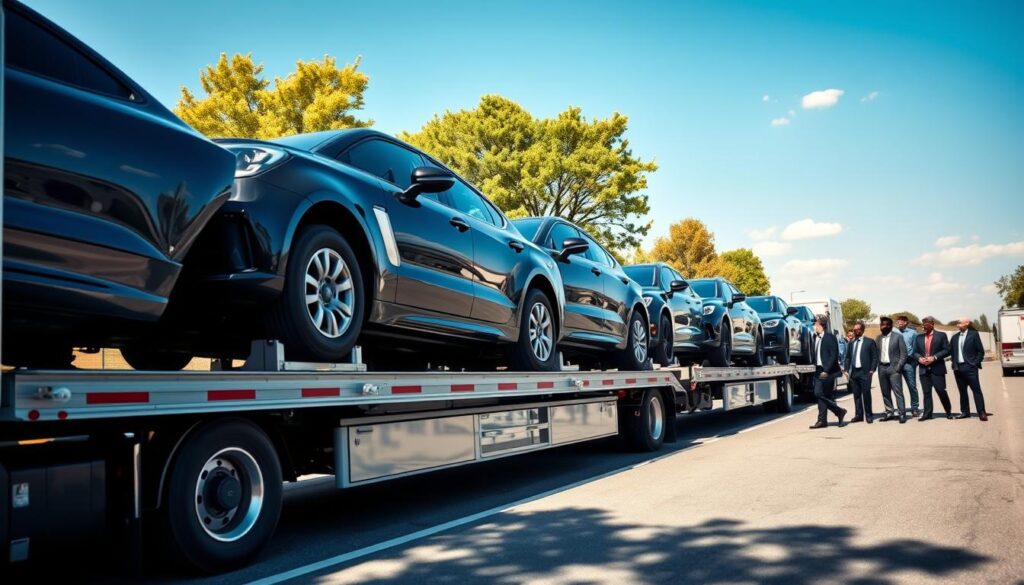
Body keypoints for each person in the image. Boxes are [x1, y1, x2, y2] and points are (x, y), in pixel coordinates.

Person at [810, 316, 847, 429]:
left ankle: (838, 412)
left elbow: (833, 355)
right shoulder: (815, 337)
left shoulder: (829, 337)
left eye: (816, 325)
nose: (814, 327)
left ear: (821, 325)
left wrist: (826, 370)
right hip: (818, 370)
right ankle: (824, 420)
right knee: (821, 395)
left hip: (828, 371)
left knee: (820, 394)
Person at [950, 317, 988, 421]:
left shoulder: (973, 335)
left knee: (976, 390)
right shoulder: (955, 337)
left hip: (970, 367)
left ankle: (981, 412)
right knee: (962, 391)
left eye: (960, 322)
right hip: (958, 368)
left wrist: (975, 363)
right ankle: (965, 412)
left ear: (967, 323)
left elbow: (980, 352)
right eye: (957, 323)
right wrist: (954, 364)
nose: (958, 324)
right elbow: (952, 352)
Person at [914, 316, 953, 421]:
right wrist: (919, 358)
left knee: (941, 390)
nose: (924, 326)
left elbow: (947, 350)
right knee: (926, 392)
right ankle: (927, 414)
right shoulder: (918, 337)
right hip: (923, 369)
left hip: (937, 368)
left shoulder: (941, 335)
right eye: (923, 324)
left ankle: (948, 412)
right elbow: (915, 352)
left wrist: (934, 357)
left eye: (926, 324)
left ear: (932, 324)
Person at [843, 321, 878, 423]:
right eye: (854, 330)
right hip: (854, 372)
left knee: (866, 394)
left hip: (865, 372)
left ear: (862, 330)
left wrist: (872, 370)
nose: (855, 331)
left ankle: (869, 415)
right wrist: (846, 369)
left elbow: (875, 357)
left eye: (857, 329)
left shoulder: (870, 342)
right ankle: (858, 415)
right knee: (856, 395)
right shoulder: (851, 343)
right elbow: (848, 357)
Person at [876, 317, 908, 423]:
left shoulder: (898, 337)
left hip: (893, 368)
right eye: (881, 325)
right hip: (882, 368)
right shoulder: (878, 338)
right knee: (885, 392)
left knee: (897, 392)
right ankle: (889, 412)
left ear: (890, 326)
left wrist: (898, 367)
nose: (883, 327)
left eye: (885, 325)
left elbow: (904, 354)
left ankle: (902, 413)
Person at [896, 316, 920, 416]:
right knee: (897, 387)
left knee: (912, 386)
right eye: (898, 321)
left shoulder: (913, 333)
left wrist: (915, 361)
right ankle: (901, 409)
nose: (899, 323)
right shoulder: (894, 333)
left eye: (901, 321)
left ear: (906, 322)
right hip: (896, 363)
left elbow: (916, 348)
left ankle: (915, 407)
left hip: (908, 363)